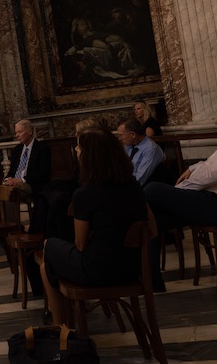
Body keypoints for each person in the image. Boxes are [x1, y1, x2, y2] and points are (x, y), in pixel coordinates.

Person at [143, 100, 217, 289]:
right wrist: (194, 167)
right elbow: (208, 165)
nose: (216, 121)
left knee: (152, 189)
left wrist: (178, 190)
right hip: (214, 202)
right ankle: (152, 281)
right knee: (150, 220)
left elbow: (207, 176)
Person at [40, 128, 148, 325]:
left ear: (91, 156)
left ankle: (61, 327)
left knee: (49, 249)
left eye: (80, 147)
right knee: (52, 258)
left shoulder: (85, 193)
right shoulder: (133, 185)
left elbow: (80, 244)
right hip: (132, 268)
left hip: (99, 270)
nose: (76, 150)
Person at [0, 119, 51, 222]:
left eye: (19, 132)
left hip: (31, 184)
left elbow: (42, 173)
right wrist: (7, 179)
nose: (17, 135)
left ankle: (12, 227)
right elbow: (12, 170)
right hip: (15, 183)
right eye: (16, 132)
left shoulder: (42, 149)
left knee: (10, 193)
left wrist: (21, 180)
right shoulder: (17, 149)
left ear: (29, 132)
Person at [117, 117, 164, 185]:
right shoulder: (128, 145)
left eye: (121, 135)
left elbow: (139, 180)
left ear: (133, 134)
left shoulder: (151, 149)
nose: (119, 139)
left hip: (143, 189)